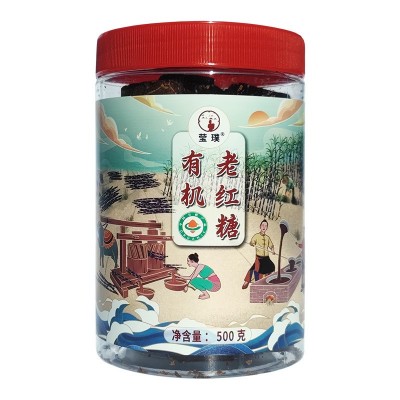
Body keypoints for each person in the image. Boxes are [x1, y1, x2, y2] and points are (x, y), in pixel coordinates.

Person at [242, 219, 275, 289]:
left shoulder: (267, 238)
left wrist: (272, 251)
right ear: (260, 226)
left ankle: (266, 281)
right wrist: (252, 244)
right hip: (259, 258)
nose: (264, 227)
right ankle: (247, 282)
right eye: (263, 225)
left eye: (265, 226)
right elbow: (252, 242)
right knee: (256, 269)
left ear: (267, 228)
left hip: (266, 258)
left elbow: (271, 246)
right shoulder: (256, 236)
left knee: (272, 267)